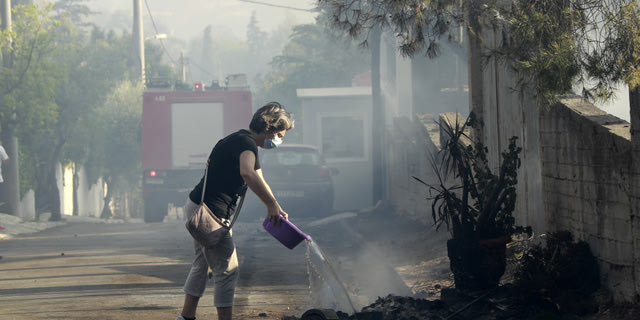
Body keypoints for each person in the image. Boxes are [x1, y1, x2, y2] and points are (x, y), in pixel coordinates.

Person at [175, 102, 294, 320]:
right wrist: (270, 205)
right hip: (210, 213)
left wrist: (275, 204)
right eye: (279, 134)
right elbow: (247, 173)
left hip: (198, 207)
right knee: (228, 270)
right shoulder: (246, 143)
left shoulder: (242, 140)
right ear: (267, 127)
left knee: (202, 265)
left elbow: (259, 178)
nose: (279, 140)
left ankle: (185, 317)